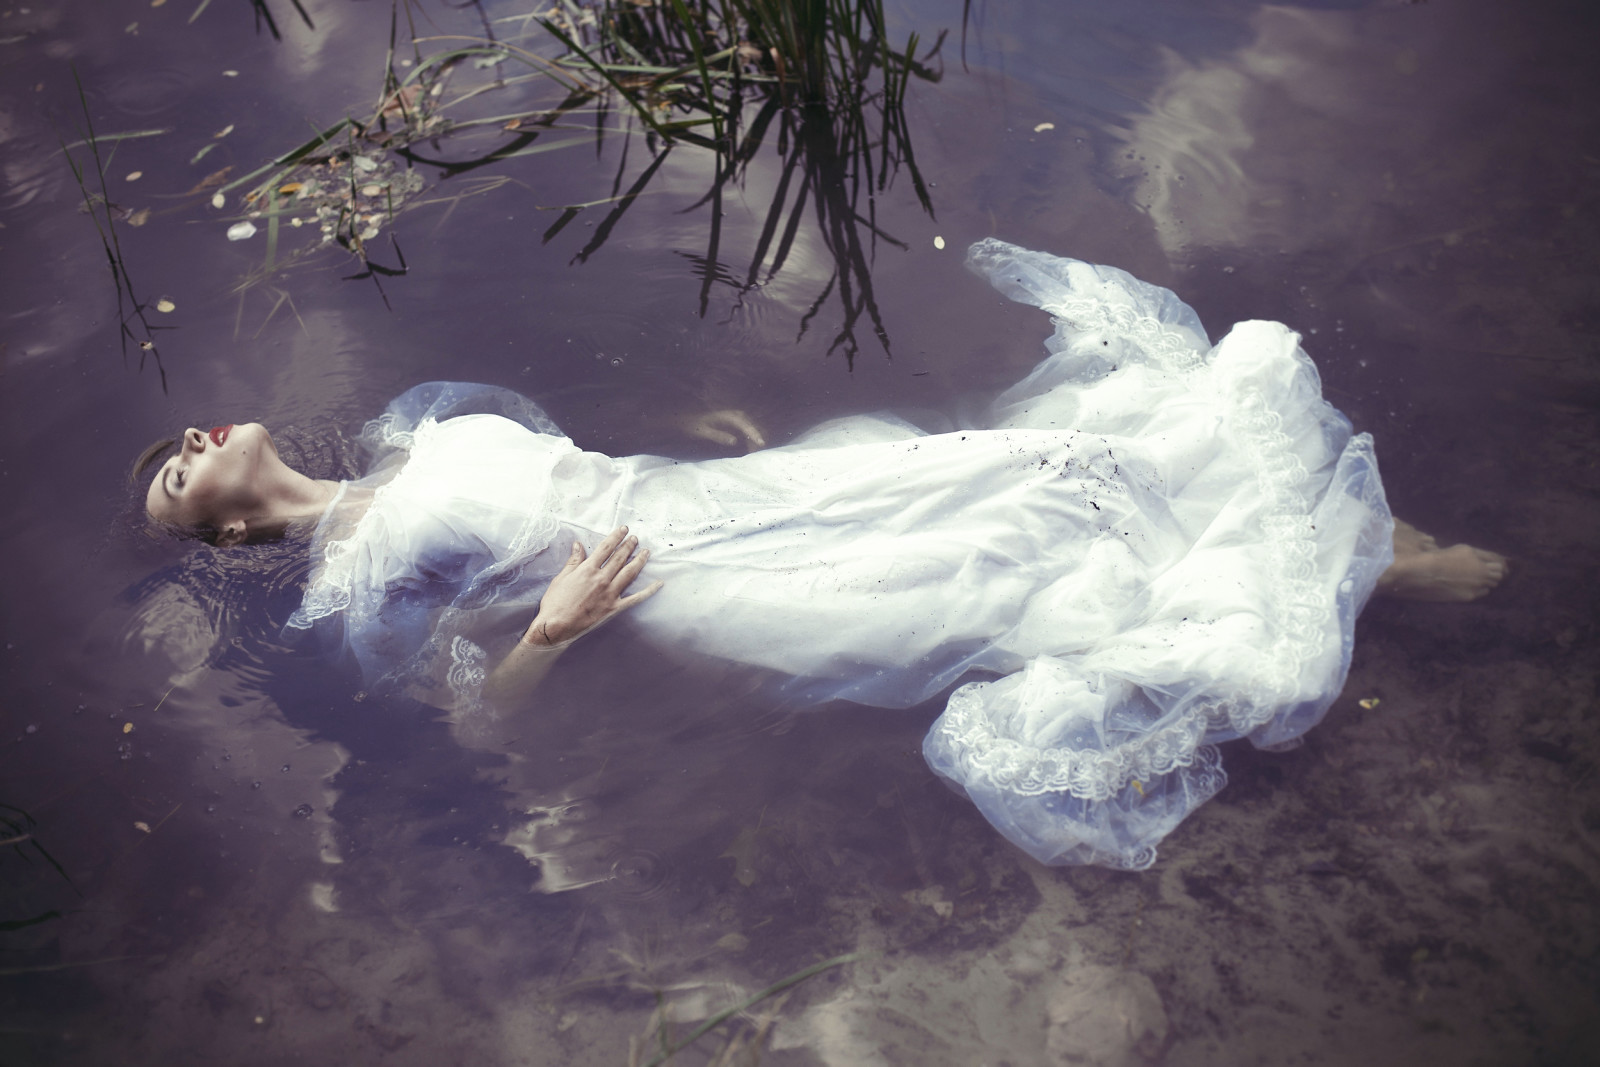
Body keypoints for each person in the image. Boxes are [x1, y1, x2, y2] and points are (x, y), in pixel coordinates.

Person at [138, 240, 1506, 869]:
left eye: (182, 440)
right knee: (1000, 578)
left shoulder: (405, 433)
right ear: (233, 527)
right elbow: (473, 725)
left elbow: (561, 457)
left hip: (705, 495)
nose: (192, 440)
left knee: (1030, 467)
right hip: (701, 587)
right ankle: (1352, 578)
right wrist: (549, 632)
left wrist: (682, 423)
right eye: (176, 474)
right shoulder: (354, 592)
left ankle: (1341, 552)